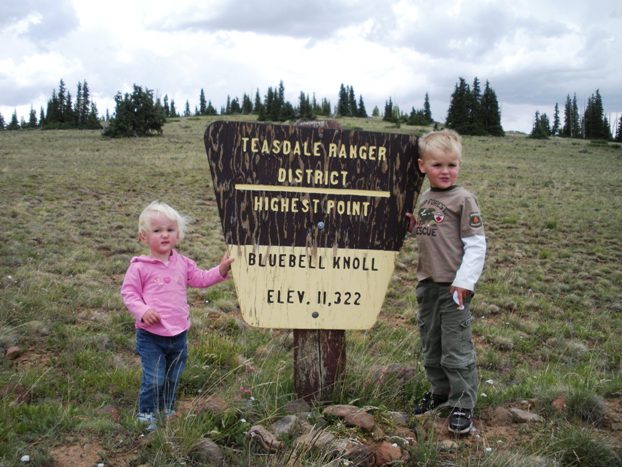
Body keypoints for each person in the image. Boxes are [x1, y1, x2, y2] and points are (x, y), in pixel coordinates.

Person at [121, 201, 234, 431]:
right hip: (151, 335)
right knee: (154, 378)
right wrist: (143, 311)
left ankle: (167, 408)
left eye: (170, 230)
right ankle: (147, 413)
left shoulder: (183, 263)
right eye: (157, 230)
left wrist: (220, 270)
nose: (164, 235)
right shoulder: (139, 267)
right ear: (143, 237)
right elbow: (129, 293)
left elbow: (201, 279)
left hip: (179, 333)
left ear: (178, 235)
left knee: (173, 376)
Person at [406, 129, 486, 434]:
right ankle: (439, 392)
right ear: (422, 166)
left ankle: (463, 403)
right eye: (438, 165)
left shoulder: (464, 199)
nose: (445, 171)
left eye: (452, 165)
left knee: (456, 347)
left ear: (459, 165)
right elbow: (433, 233)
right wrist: (414, 227)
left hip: (454, 288)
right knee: (432, 343)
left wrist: (464, 282)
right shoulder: (426, 197)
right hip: (427, 283)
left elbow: (476, 245)